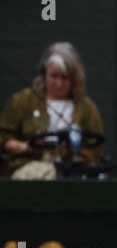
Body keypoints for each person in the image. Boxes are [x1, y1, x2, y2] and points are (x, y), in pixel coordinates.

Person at [0, 43, 104, 180]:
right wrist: (28, 147)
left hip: (73, 173)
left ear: (74, 78)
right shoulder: (23, 101)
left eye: (65, 78)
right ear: (44, 74)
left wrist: (72, 152)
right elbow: (4, 138)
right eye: (54, 76)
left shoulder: (86, 107)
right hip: (28, 170)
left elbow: (96, 148)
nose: (59, 84)